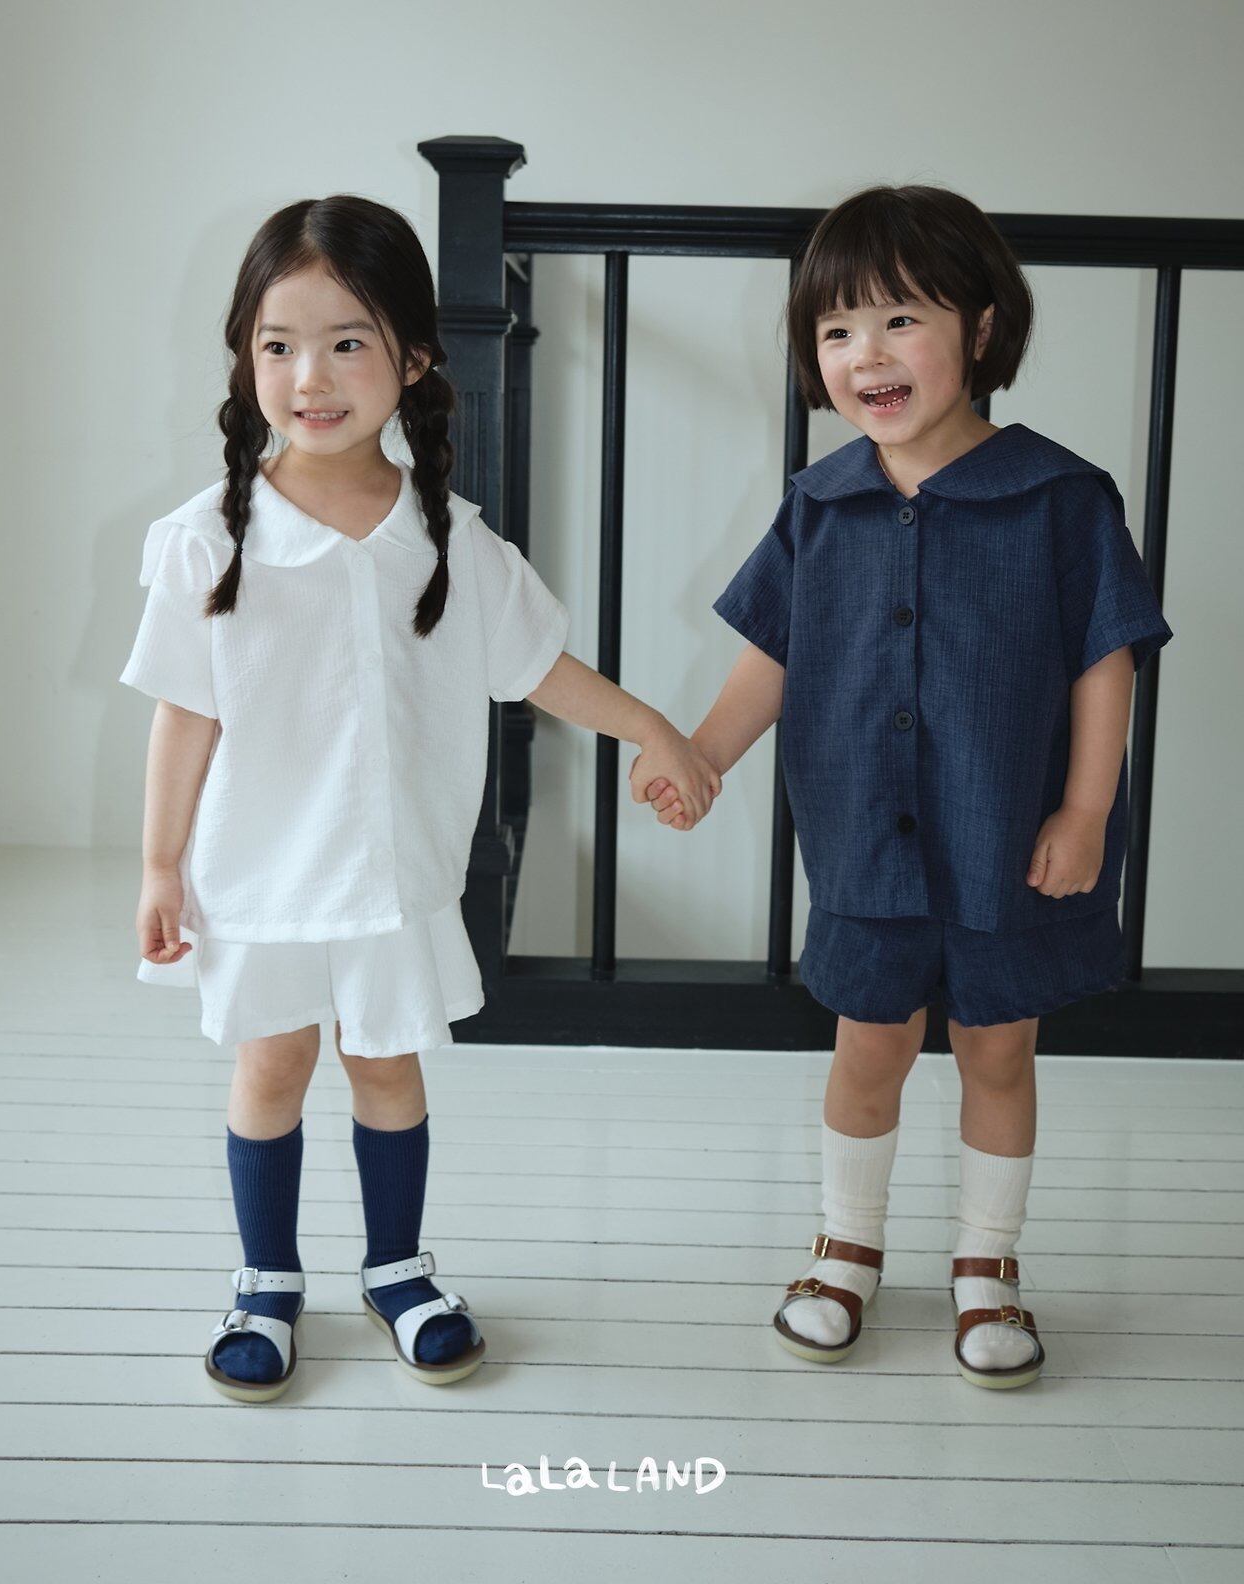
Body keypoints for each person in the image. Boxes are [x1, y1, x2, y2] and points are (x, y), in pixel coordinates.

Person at [119, 193, 720, 1402]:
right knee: (272, 1068)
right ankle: (266, 1280)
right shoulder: (207, 541)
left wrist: (650, 726)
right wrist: (159, 865)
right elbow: (184, 712)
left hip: (392, 876)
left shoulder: (450, 539)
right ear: (245, 359)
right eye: (279, 345)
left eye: (346, 342)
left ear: (411, 360)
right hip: (260, 873)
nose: (310, 376)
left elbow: (536, 666)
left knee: (388, 1069)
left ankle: (396, 1268)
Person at [640, 184, 1173, 1389]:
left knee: (997, 1049)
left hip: (1009, 836)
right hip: (863, 842)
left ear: (978, 329)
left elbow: (1104, 661)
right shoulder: (818, 502)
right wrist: (704, 754)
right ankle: (845, 1248)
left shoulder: (1060, 498)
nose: (864, 355)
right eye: (835, 330)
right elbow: (770, 654)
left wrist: (1084, 811)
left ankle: (987, 1263)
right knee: (867, 1043)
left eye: (897, 320)